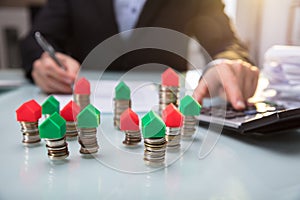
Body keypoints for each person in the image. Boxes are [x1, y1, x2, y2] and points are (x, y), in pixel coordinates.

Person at [21, 0, 259, 110]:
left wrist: (227, 63)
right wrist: (41, 62)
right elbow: (37, 38)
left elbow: (227, 43)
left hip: (167, 116)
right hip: (84, 112)